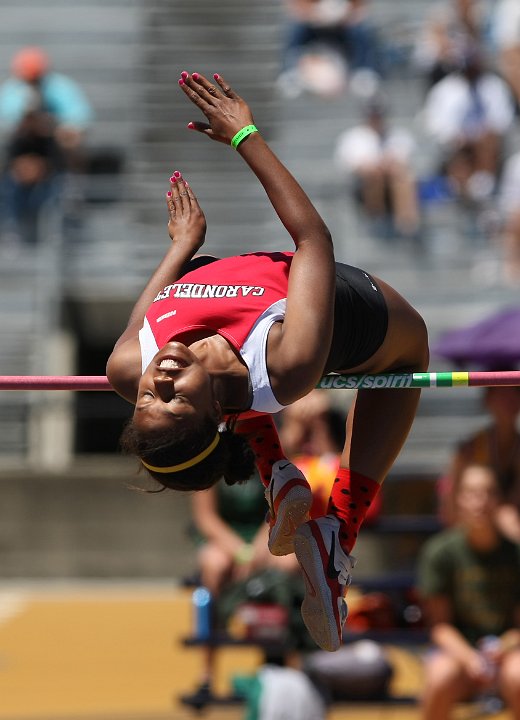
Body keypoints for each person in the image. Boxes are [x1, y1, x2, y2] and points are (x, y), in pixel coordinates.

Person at [107, 70, 429, 653]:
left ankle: (278, 475)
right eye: (175, 396)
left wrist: (181, 245)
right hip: (334, 308)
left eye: (150, 396)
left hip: (239, 301)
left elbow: (145, 317)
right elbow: (313, 241)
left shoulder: (129, 368)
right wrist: (244, 135)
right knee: (413, 351)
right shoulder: (289, 363)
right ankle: (339, 529)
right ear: (218, 414)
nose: (160, 378)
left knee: (192, 370)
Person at [417, 463, 520, 720]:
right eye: (472, 493)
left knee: (518, 676)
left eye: (488, 493)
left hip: (508, 652)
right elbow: (440, 627)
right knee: (441, 677)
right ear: (458, 500)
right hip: (458, 650)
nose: (480, 502)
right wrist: (471, 659)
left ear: (500, 500)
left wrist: (504, 646)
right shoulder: (440, 552)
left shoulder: (515, 554)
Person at [438, 385, 520, 543]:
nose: (508, 401)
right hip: (471, 529)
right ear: (487, 400)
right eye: (501, 395)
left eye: (515, 393)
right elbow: (452, 505)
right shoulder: (469, 449)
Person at [334, 96, 420, 240]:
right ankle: (377, 217)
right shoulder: (353, 137)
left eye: (378, 114)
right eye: (373, 114)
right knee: (375, 175)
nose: (376, 118)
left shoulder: (398, 135)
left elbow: (405, 162)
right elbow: (350, 166)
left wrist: (388, 166)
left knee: (403, 178)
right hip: (364, 186)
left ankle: (407, 222)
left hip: (393, 182)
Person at [0, 46, 93, 171]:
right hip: (21, 139)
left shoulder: (60, 86)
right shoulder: (12, 89)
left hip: (54, 137)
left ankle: (69, 180)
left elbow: (80, 117)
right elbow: (6, 119)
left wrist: (52, 125)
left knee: (70, 140)